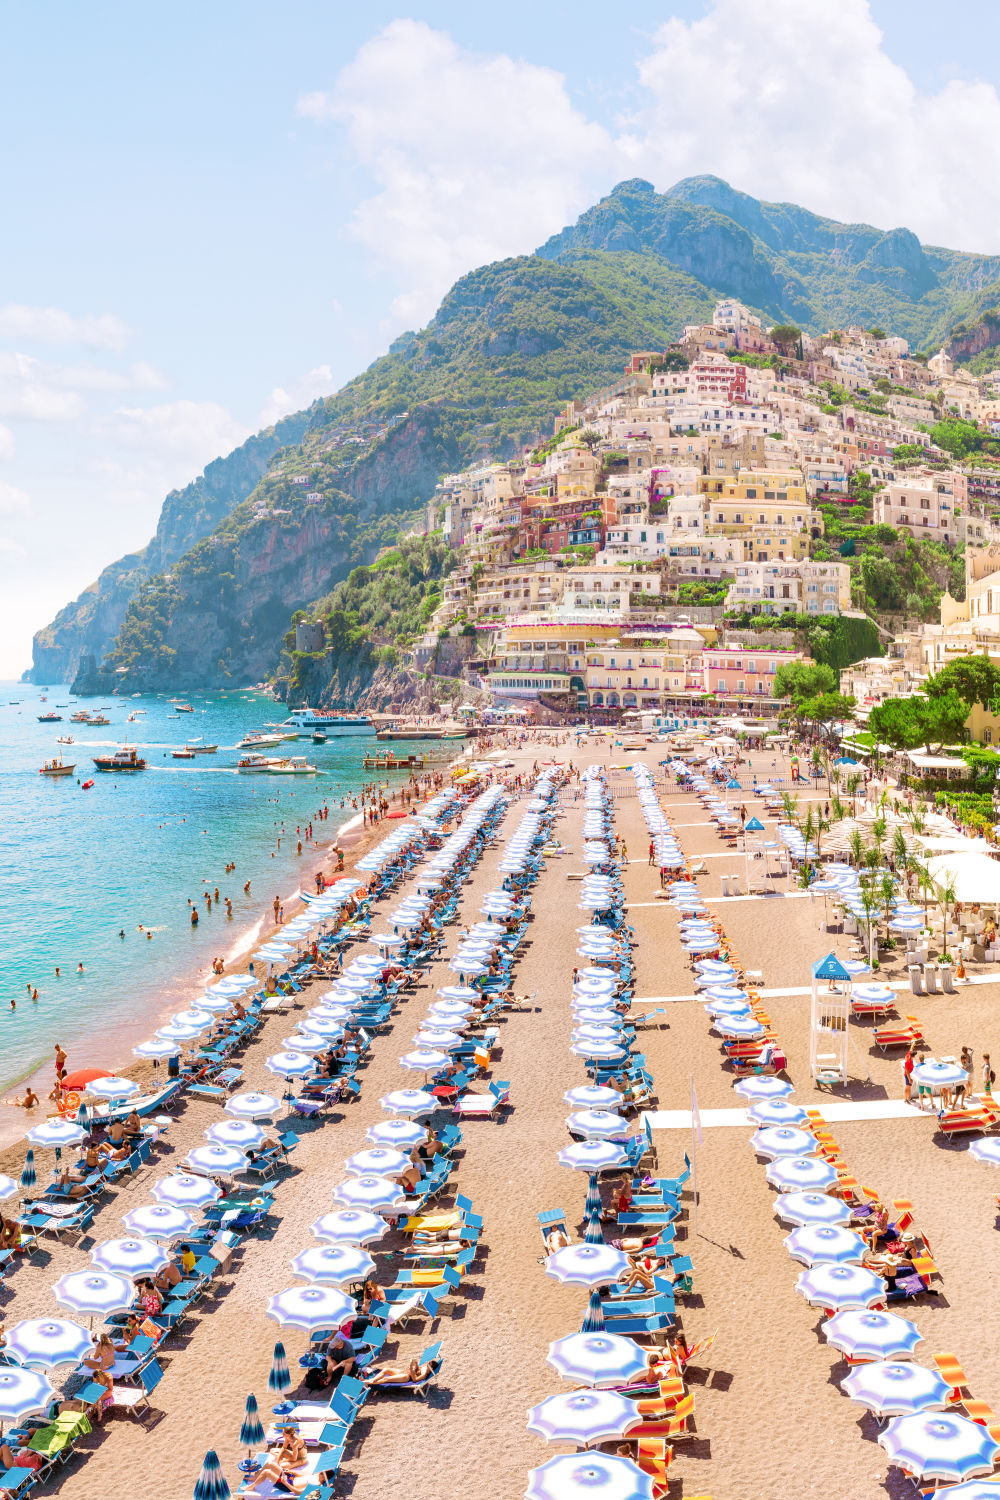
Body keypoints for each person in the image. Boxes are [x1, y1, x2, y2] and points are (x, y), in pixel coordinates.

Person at [247, 1426, 309, 1494]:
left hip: (301, 1459)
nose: (282, 1434)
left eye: (283, 1433)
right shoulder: (288, 1437)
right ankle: (255, 1477)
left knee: (282, 1465)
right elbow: (284, 1447)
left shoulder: (296, 1442)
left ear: (288, 1434)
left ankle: (280, 1462)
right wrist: (278, 1458)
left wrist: (282, 1461)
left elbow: (294, 1459)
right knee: (272, 1450)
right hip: (294, 1455)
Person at [364, 1357, 431, 1386]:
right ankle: (372, 1380)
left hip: (406, 1377)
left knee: (386, 1379)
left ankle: (369, 1382)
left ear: (430, 1369)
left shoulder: (424, 1374)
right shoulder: (424, 1367)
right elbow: (417, 1369)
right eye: (428, 1365)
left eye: (429, 1367)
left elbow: (415, 1380)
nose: (427, 1366)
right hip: (404, 1371)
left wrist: (411, 1368)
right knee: (385, 1370)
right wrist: (415, 1363)